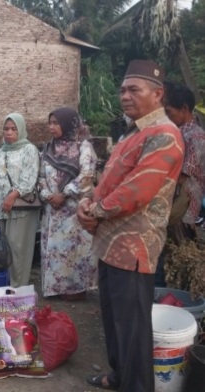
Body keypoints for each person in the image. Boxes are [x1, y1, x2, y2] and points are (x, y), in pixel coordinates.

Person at [78, 60, 184, 392]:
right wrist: (88, 202)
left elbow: (137, 190)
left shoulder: (165, 135)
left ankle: (135, 385)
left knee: (133, 328)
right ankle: (119, 376)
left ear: (158, 94)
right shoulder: (132, 132)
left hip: (135, 247)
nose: (125, 96)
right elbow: (110, 178)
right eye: (123, 89)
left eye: (133, 90)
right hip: (111, 244)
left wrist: (94, 210)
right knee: (113, 320)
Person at [38, 108, 98, 300]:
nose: (52, 127)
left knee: (73, 252)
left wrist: (64, 194)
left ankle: (74, 290)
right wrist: (48, 195)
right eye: (50, 123)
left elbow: (87, 175)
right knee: (54, 251)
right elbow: (39, 178)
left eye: (56, 123)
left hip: (73, 210)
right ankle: (55, 288)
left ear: (68, 124)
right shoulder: (48, 148)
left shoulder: (83, 146)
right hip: (52, 211)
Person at [0, 113, 40, 287]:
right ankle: (6, 286)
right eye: (6, 129)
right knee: (5, 249)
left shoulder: (29, 150)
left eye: (13, 129)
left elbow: (29, 179)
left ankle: (18, 289)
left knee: (18, 249)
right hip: (3, 209)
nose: (9, 133)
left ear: (21, 130)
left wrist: (12, 196)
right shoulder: (2, 151)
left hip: (20, 209)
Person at [163, 81, 205, 237]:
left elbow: (183, 175)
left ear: (184, 109)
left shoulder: (196, 137)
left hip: (185, 204)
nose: (167, 117)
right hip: (177, 200)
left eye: (169, 112)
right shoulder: (180, 133)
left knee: (182, 247)